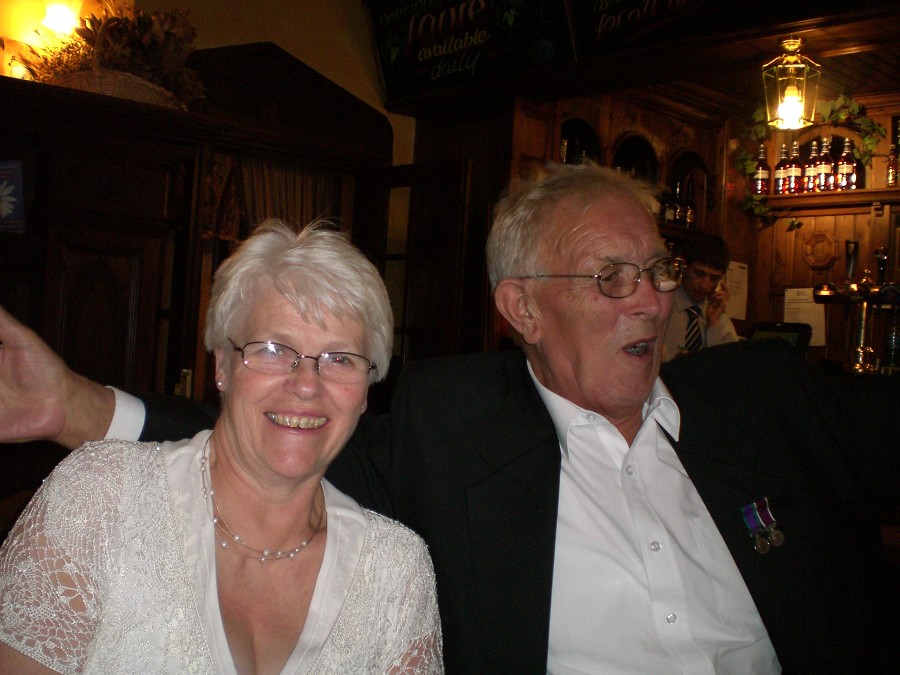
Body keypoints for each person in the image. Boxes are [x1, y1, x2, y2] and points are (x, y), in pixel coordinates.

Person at [1, 163, 898, 673]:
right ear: (522, 307)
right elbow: (273, 437)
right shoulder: (451, 425)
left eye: (658, 270)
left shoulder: (767, 395)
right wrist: (73, 403)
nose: (653, 301)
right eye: (610, 277)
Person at [0, 220, 442, 673]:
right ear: (222, 367)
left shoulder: (396, 573)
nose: (307, 384)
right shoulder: (100, 499)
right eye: (273, 349)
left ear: (366, 391)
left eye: (340, 358)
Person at [661, 235, 738, 361]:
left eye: (714, 278)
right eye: (699, 274)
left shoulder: (721, 320)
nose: (704, 285)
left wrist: (713, 325)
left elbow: (728, 366)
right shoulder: (660, 307)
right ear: (684, 267)